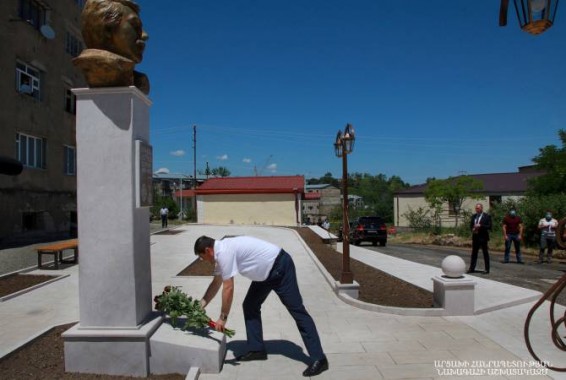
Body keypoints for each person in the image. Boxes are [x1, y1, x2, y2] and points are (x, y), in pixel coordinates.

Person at [194, 235, 329, 377]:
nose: (203, 261)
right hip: (265, 275)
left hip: (280, 267)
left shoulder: (224, 253)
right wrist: (201, 304)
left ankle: (319, 359)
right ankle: (256, 349)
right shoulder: (221, 252)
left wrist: (223, 317)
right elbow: (216, 283)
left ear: (208, 250)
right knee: (250, 305)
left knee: (297, 311)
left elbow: (228, 288)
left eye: (202, 257)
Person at [73, 0, 150, 93]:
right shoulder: (99, 71)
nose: (144, 35)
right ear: (107, 29)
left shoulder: (138, 79)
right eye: (135, 26)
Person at [467, 203, 492, 274]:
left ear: (481, 208)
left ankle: (487, 269)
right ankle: (472, 268)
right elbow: (471, 225)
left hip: (483, 237)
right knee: (474, 253)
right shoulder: (474, 216)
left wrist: (480, 226)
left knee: (485, 253)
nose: (477, 210)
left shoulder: (487, 216)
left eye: (478, 208)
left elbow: (489, 226)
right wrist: (473, 228)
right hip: (475, 237)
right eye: (476, 208)